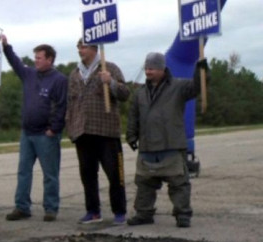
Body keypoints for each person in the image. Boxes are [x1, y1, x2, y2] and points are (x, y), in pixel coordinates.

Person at [126, 52, 208, 228]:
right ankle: (144, 213)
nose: (148, 72)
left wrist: (201, 71)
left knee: (179, 184)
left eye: (152, 68)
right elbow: (133, 116)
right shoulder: (140, 93)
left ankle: (182, 215)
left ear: (162, 68)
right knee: (144, 185)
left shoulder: (178, 86)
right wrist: (131, 135)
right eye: (146, 68)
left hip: (171, 145)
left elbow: (197, 87)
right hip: (147, 148)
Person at [1, 34, 67, 222]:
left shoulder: (59, 79)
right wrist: (6, 46)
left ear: (49, 59)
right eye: (35, 57)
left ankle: (51, 208)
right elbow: (16, 63)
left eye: (39, 58)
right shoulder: (29, 74)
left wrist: (54, 129)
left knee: (50, 174)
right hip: (27, 133)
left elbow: (62, 105)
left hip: (46, 135)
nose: (36, 61)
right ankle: (22, 207)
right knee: (23, 171)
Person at [66, 40, 130, 225]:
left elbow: (125, 94)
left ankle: (119, 211)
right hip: (82, 131)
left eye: (83, 47)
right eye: (78, 47)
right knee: (87, 175)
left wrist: (110, 82)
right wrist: (70, 125)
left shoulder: (110, 68)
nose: (80, 50)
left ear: (95, 49)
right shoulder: (75, 73)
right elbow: (71, 102)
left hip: (106, 131)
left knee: (115, 174)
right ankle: (93, 211)